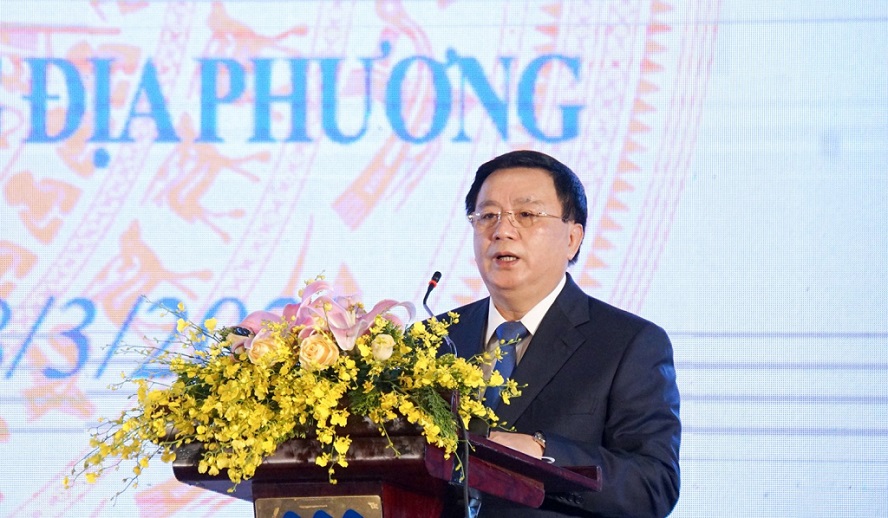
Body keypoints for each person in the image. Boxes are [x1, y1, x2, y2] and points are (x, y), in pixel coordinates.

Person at [445, 150, 681, 517]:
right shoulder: (435, 338)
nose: (502, 230)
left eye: (526, 215)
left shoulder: (628, 344)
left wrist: (542, 453)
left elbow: (653, 486)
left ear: (572, 238)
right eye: (487, 216)